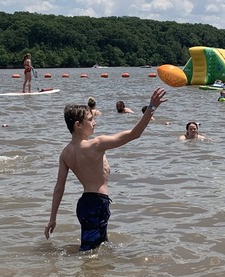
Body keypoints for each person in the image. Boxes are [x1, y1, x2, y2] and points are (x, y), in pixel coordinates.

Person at [45, 87, 168, 251]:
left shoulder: (65, 153)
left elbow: (59, 188)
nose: (94, 122)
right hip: (97, 204)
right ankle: (85, 275)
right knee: (90, 252)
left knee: (99, 248)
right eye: (90, 119)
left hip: (85, 204)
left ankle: (98, 275)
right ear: (78, 125)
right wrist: (151, 108)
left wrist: (52, 218)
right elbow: (134, 134)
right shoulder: (96, 144)